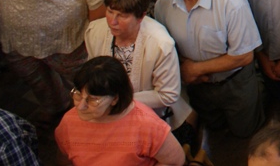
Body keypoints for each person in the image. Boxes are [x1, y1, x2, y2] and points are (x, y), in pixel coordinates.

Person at [156, 0, 265, 138]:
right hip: (197, 86)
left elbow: (244, 56)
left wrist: (195, 69)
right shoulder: (164, 2)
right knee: (213, 126)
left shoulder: (231, 2)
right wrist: (184, 68)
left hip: (234, 82)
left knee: (245, 131)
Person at [83, 0, 192, 129]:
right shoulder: (94, 31)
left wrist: (118, 101)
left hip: (149, 118)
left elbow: (168, 95)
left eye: (122, 16)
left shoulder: (161, 44)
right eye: (110, 12)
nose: (112, 22)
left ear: (141, 16)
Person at [54, 56, 185, 166]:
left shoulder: (147, 125)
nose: (80, 106)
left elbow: (174, 162)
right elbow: (64, 160)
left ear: (115, 99)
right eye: (78, 95)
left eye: (93, 100)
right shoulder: (68, 122)